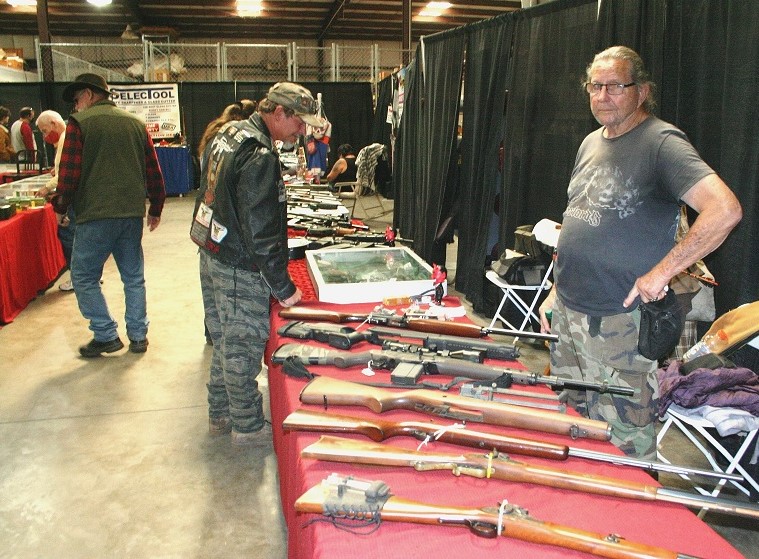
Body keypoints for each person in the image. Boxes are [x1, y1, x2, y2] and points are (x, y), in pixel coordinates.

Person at [538, 46, 742, 460]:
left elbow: (725, 209)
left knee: (626, 444)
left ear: (642, 90)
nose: (602, 95)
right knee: (574, 429)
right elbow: (578, 220)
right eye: (595, 86)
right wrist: (554, 295)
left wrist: (662, 273)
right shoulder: (591, 143)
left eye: (615, 85)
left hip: (621, 323)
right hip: (570, 318)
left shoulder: (661, 143)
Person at [191, 81, 323, 444]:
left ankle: (219, 413)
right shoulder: (260, 155)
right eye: (299, 122)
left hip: (213, 249)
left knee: (224, 340)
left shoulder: (230, 132)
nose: (303, 130)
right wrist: (284, 288)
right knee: (242, 347)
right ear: (279, 113)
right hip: (238, 264)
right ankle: (247, 425)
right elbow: (260, 233)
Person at [52, 73, 166, 358]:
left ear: (89, 95)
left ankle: (105, 334)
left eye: (77, 100)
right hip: (130, 215)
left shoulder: (80, 125)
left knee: (83, 276)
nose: (76, 107)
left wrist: (60, 208)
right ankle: (138, 336)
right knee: (133, 276)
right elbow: (153, 171)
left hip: (95, 215)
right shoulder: (136, 124)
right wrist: (156, 207)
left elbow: (68, 174)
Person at [35, 110, 76, 292]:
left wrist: (46, 187)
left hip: (70, 197)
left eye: (44, 130)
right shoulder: (65, 138)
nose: (44, 136)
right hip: (75, 196)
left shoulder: (66, 138)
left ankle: (77, 278)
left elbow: (64, 175)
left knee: (70, 237)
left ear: (53, 123)